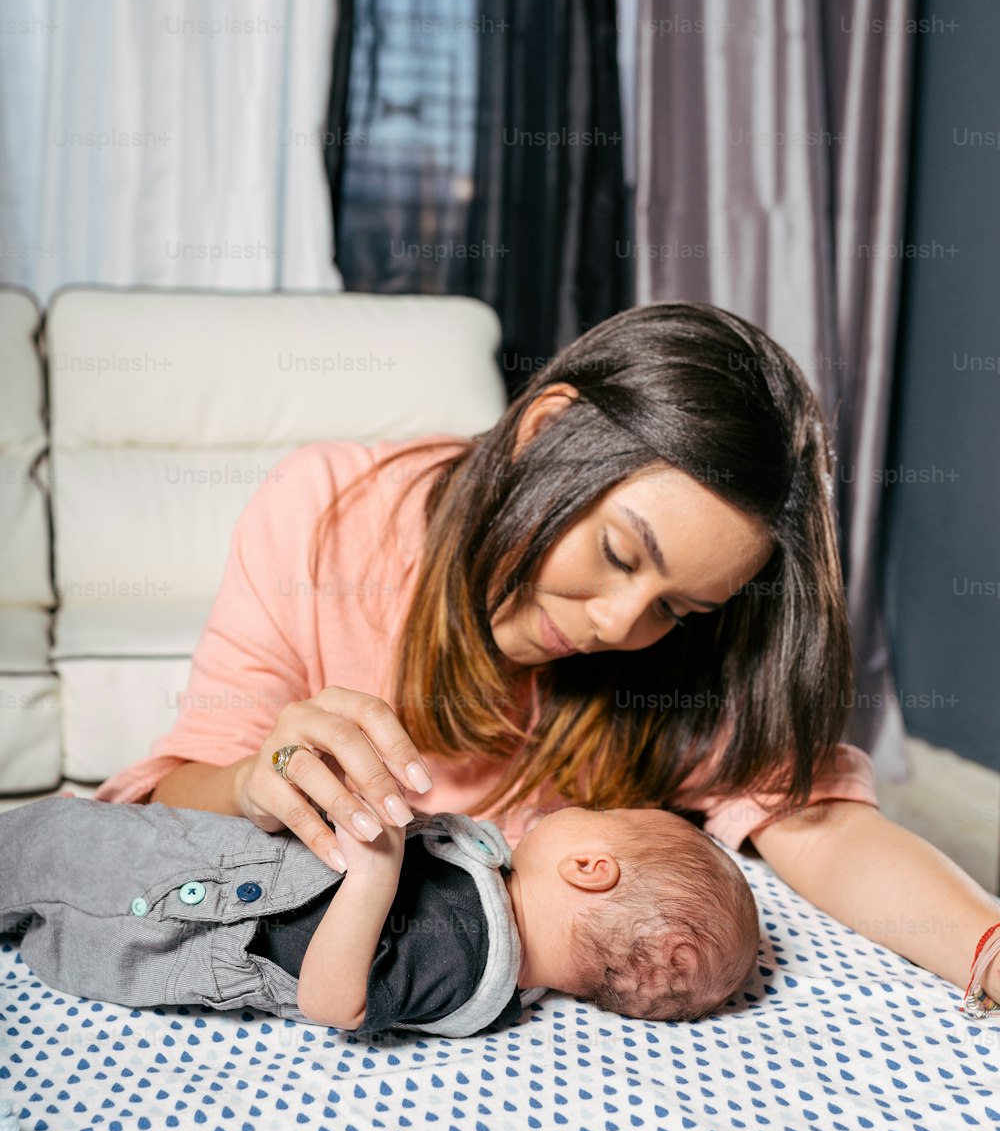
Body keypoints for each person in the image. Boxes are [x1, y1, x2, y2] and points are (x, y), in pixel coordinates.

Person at [90, 301, 1000, 1007]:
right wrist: (257, 777)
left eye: (676, 608)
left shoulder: (668, 664)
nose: (619, 626)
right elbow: (169, 797)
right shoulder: (324, 515)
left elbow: (816, 820)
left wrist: (986, 946)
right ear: (545, 433)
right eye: (616, 554)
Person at [0, 794, 759, 1036]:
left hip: (182, 911)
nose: (568, 803)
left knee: (43, 845)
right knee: (49, 841)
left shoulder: (471, 960)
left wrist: (377, 870)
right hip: (210, 872)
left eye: (592, 809)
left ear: (590, 869)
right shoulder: (491, 911)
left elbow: (333, 1002)